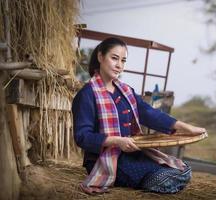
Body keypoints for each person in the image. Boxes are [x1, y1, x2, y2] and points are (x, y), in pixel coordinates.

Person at [72, 37, 207, 194]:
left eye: (123, 61)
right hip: (105, 159)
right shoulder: (87, 95)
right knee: (164, 178)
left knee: (183, 170)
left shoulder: (126, 91)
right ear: (101, 57)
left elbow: (149, 113)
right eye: (114, 58)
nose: (119, 65)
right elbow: (82, 136)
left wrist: (185, 127)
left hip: (132, 152)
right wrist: (116, 141)